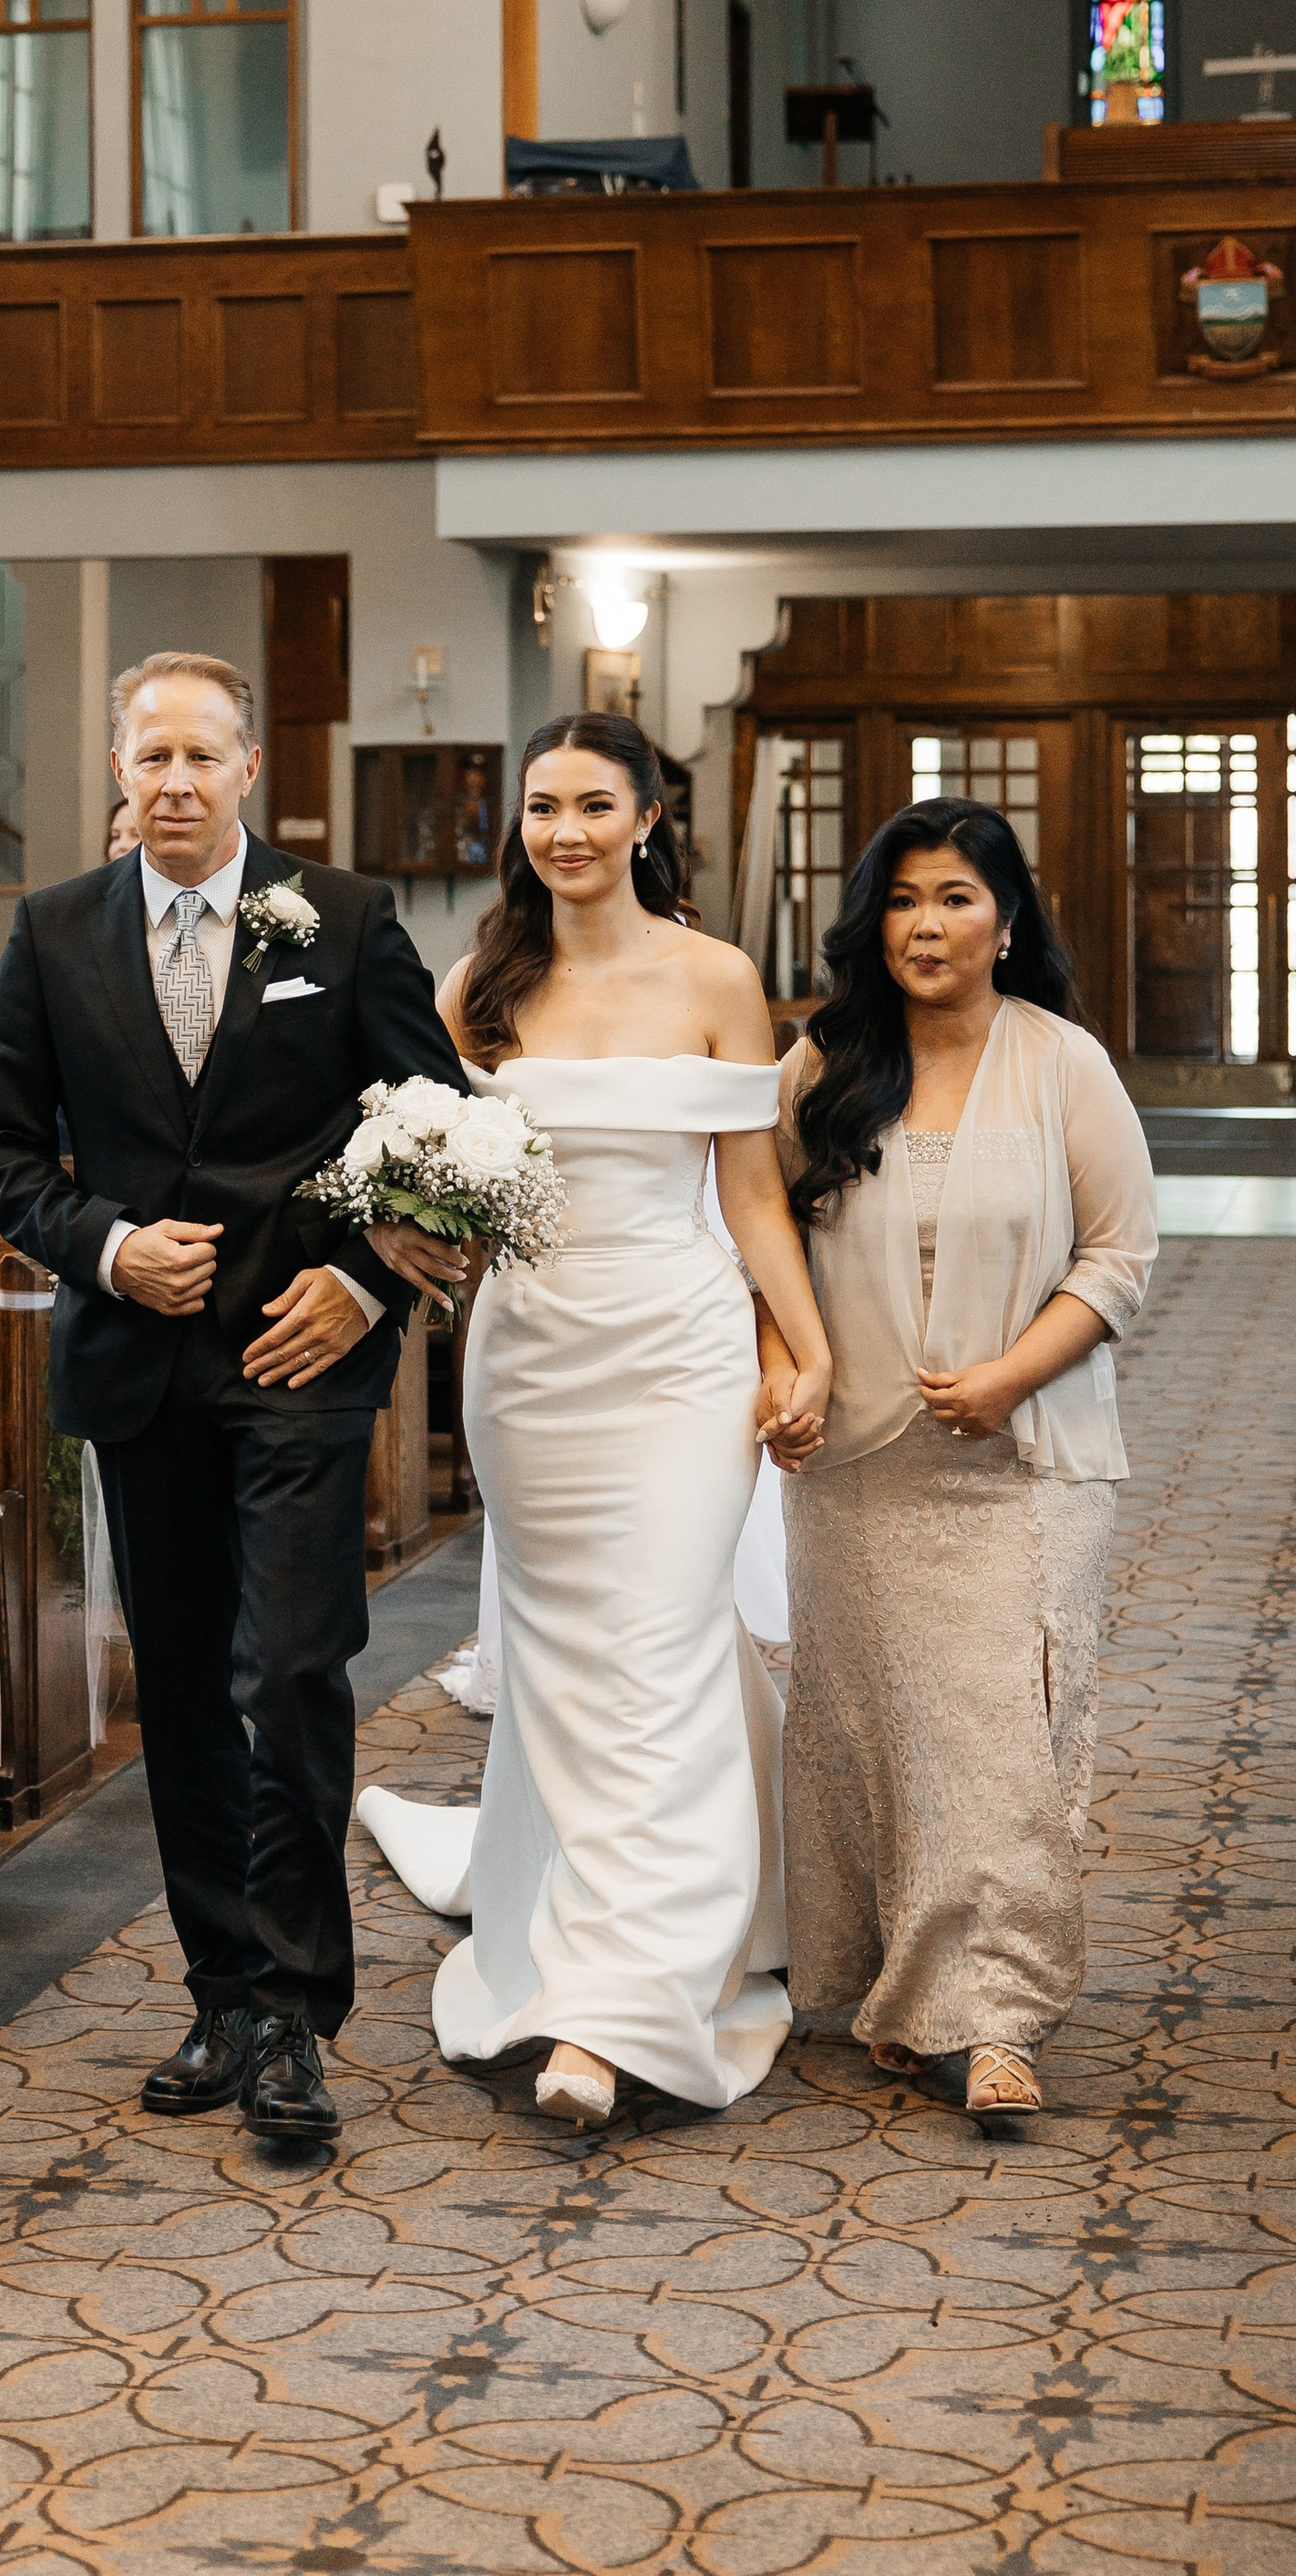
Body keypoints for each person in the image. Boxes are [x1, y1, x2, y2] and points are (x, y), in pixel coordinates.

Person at [0, 651, 465, 2140]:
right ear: (118, 771)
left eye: (203, 757)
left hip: (302, 1357)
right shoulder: (53, 932)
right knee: (182, 1688)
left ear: (251, 770)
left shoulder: (349, 920)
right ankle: (224, 1994)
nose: (175, 782)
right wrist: (108, 1248)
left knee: (290, 1671)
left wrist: (368, 1279)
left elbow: (440, 1126)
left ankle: (303, 2018)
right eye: (151, 758)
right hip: (144, 1365)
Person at [356, 712, 831, 2129]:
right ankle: (595, 1932)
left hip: (681, 1351)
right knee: (569, 1667)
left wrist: (805, 1350)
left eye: (592, 804)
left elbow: (753, 1197)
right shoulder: (479, 990)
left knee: (669, 1648)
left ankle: (617, 2009)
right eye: (542, 805)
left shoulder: (719, 978)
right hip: (528, 1362)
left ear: (645, 819)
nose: (563, 830)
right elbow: (428, 1179)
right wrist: (401, 1230)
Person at [761, 796, 1157, 2132]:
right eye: (904, 900)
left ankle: (990, 2016)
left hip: (1021, 1465)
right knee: (883, 1737)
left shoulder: (1062, 1063)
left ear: (1007, 920)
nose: (927, 925)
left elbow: (1120, 1257)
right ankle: (904, 1984)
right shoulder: (823, 1064)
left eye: (956, 898)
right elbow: (760, 1246)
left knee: (996, 1739)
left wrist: (1007, 1377)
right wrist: (788, 1367)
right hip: (859, 1467)